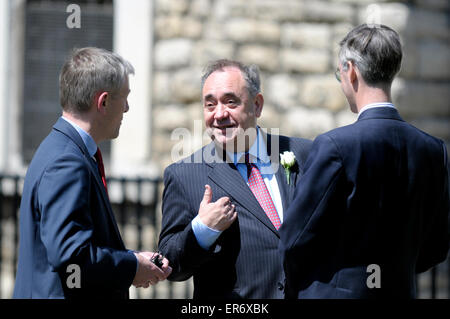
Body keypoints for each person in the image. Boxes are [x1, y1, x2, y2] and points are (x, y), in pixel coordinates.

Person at [279, 24, 449, 299]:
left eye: (339, 74)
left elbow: (294, 241)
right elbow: (436, 248)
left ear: (351, 71)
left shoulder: (335, 146)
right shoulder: (433, 150)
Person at [14, 47, 171, 299]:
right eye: (124, 97)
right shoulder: (67, 161)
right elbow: (72, 257)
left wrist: (133, 260)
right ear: (104, 102)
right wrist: (131, 268)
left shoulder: (65, 150)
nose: (128, 108)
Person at [158, 59, 312, 298]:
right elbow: (170, 265)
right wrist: (202, 230)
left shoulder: (305, 154)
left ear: (257, 105)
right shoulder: (184, 175)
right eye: (210, 105)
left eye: (231, 102)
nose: (219, 114)